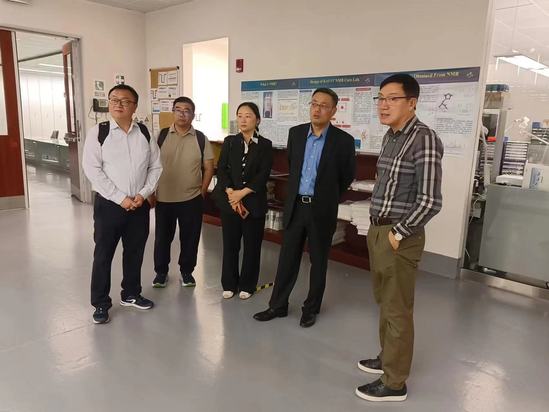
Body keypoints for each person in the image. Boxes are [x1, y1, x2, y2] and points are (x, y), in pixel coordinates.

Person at [355, 74, 443, 402]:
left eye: (392, 98)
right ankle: (387, 358)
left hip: (399, 236)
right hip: (379, 230)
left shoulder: (424, 139)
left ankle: (394, 383)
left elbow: (430, 200)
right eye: (380, 98)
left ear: (412, 103)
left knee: (398, 309)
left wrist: (398, 233)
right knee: (385, 302)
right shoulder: (391, 136)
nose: (384, 105)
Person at [253, 88, 356, 327]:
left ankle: (311, 308)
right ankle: (277, 305)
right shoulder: (296, 134)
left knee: (318, 261)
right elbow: (293, 166)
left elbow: (346, 177)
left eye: (323, 105)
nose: (317, 109)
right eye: (314, 104)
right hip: (296, 206)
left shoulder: (343, 141)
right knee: (287, 258)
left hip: (321, 209)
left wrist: (327, 196)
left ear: (333, 111)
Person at [83, 84, 162, 324]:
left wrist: (143, 194)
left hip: (139, 205)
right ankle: (100, 303)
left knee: (135, 252)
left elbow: (156, 166)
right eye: (114, 99)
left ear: (134, 106)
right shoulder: (99, 132)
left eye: (125, 100)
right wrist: (120, 198)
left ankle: (131, 294)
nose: (118, 104)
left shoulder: (144, 132)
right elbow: (92, 169)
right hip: (109, 206)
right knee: (103, 254)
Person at [149, 97, 215, 289]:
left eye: (187, 110)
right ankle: (161, 273)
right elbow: (148, 165)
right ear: (173, 112)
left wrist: (202, 191)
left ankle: (187, 272)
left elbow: (209, 167)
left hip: (191, 198)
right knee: (162, 238)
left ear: (193, 115)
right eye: (178, 110)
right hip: (164, 198)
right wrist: (150, 192)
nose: (182, 114)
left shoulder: (201, 138)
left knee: (190, 238)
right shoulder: (160, 135)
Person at [213, 102, 273, 300]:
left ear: (258, 120)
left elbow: (263, 174)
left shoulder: (265, 145)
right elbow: (222, 169)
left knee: (252, 246)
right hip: (231, 203)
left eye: (248, 116)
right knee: (230, 245)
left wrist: (242, 193)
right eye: (240, 116)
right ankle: (229, 283)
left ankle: (248, 284)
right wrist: (230, 191)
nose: (243, 120)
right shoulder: (230, 141)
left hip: (253, 203)